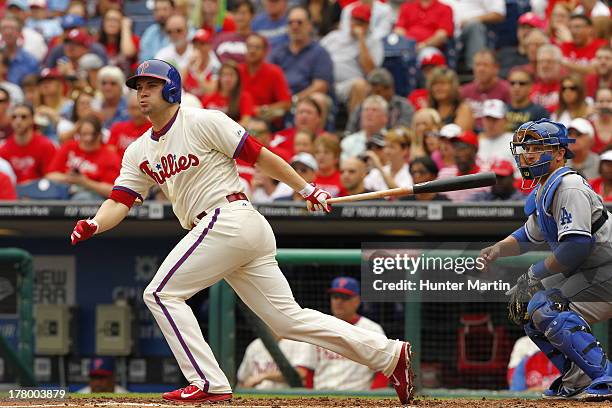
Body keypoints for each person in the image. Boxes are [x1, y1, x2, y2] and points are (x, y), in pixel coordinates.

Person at [69, 59, 413, 403]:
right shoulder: (138, 150)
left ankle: (208, 382)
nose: (142, 93)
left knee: (160, 294)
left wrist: (305, 188)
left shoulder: (204, 121)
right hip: (228, 227)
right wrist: (96, 222)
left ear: (172, 88)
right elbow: (120, 201)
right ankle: (388, 354)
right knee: (288, 322)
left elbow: (259, 156)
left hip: (227, 217)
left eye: (151, 86)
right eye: (139, 87)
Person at [480, 118, 612, 400]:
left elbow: (575, 248)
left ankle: (605, 376)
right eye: (525, 148)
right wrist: (497, 248)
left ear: (559, 153)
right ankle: (578, 379)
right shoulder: (546, 188)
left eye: (537, 147)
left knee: (547, 304)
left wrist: (533, 274)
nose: (528, 154)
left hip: (606, 269)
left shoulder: (569, 187)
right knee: (531, 307)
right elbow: (529, 235)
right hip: (594, 270)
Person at [298, 277, 389, 390]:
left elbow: (384, 370)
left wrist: (372, 399)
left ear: (357, 301)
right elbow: (309, 370)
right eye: (335, 297)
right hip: (322, 396)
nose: (339, 301)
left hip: (358, 398)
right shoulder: (318, 327)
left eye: (345, 297)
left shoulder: (372, 329)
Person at [46, 115, 121, 200]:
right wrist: (70, 178)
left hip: (92, 196)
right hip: (66, 189)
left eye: (92, 134)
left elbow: (113, 190)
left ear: (99, 135)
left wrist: (86, 182)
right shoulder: (69, 147)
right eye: (84, 134)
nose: (88, 139)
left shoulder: (109, 156)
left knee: (82, 197)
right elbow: (50, 176)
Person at [269, 6, 333, 100]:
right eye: (290, 23)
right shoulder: (278, 52)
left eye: (299, 22)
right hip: (281, 102)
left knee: (318, 98)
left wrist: (294, 100)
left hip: (308, 103)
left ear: (309, 26)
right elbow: (266, 78)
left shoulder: (320, 53)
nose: (294, 27)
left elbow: (320, 87)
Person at [0, 103, 57, 184]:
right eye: (14, 117)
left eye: (24, 117)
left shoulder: (46, 145)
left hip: (39, 193)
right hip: (13, 194)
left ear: (32, 119)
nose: (18, 121)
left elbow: (51, 176)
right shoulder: (4, 148)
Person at [346, 68, 414, 134]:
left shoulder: (403, 106)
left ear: (390, 89)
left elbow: (403, 133)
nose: (374, 95)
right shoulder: (362, 106)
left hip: (392, 143)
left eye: (378, 92)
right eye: (371, 92)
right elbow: (350, 131)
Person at [460, 49, 510, 131]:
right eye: (477, 65)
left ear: (496, 68)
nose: (481, 69)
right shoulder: (465, 91)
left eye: (485, 65)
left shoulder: (506, 89)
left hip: (496, 134)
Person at [237, 334, 309, 389]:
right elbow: (242, 380)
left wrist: (264, 376)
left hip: (287, 398)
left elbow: (301, 373)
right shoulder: (255, 345)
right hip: (259, 397)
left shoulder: (298, 343)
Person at [363, 127, 413, 191]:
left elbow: (400, 194)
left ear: (405, 150)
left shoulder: (411, 172)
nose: (386, 151)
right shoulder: (376, 172)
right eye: (386, 146)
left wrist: (379, 166)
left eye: (392, 147)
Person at [591, 87, 612, 153]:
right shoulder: (588, 126)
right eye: (601, 101)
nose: (605, 105)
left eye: (609, 101)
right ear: (594, 104)